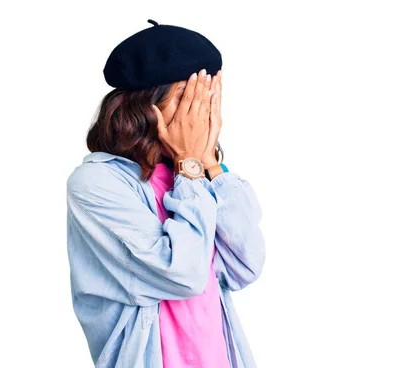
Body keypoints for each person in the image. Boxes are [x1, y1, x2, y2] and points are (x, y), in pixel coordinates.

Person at [66, 19, 265, 368]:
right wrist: (189, 165)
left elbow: (245, 266)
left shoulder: (193, 177)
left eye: (208, 100)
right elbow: (183, 275)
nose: (201, 113)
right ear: (145, 107)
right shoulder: (96, 184)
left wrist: (207, 164)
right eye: (189, 99)